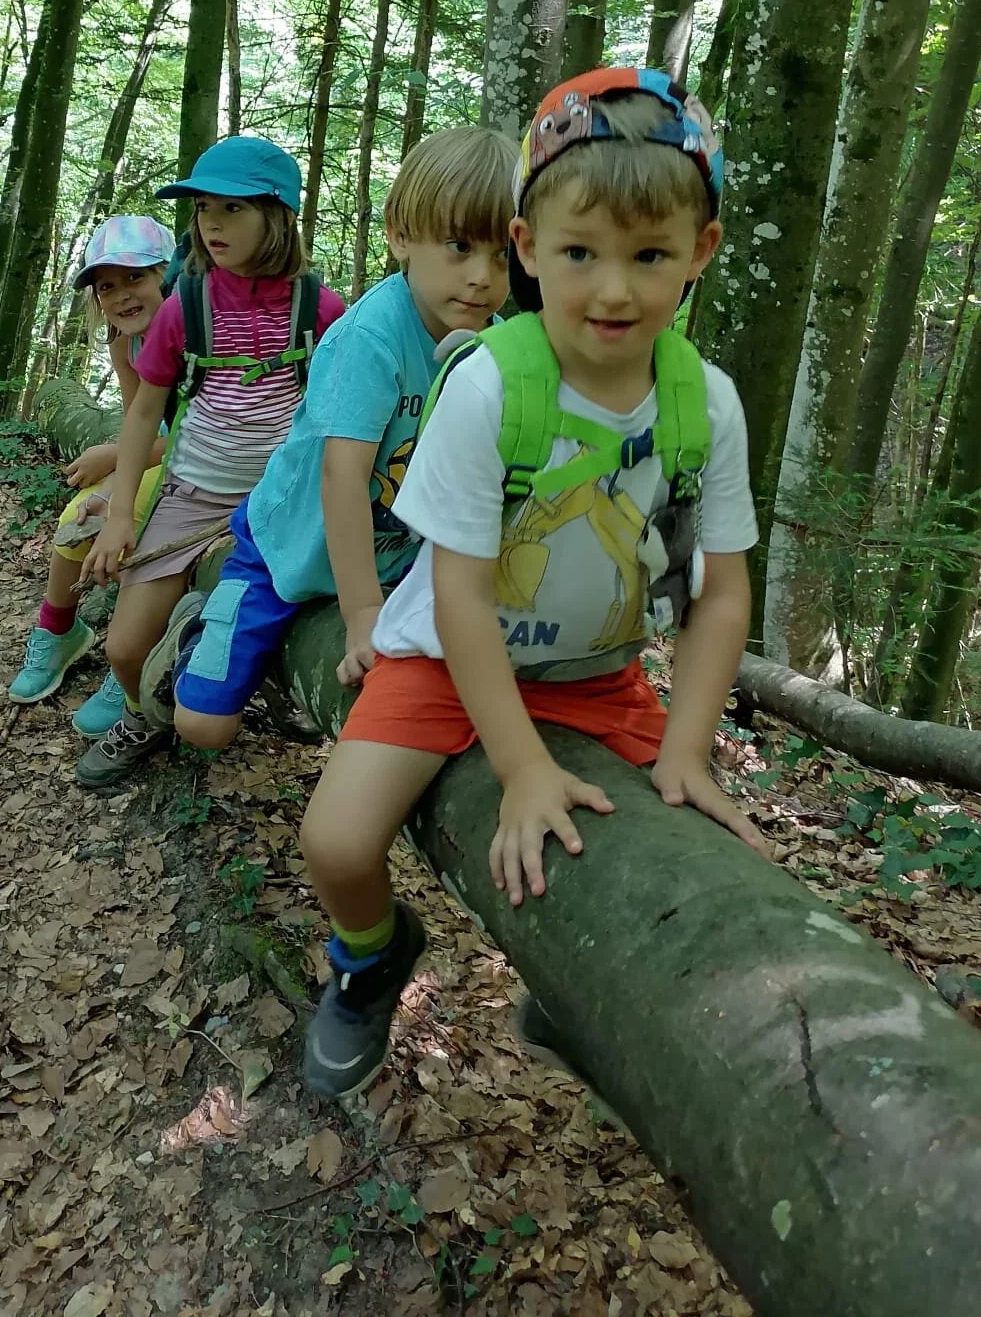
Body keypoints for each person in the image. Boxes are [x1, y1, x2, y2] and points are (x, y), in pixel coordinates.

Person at [297, 68, 766, 1100]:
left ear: (701, 249)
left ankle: (573, 988)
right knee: (334, 840)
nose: (612, 289)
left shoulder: (705, 406)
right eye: (580, 252)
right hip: (445, 656)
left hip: (598, 671)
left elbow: (717, 590)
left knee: (696, 855)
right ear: (528, 248)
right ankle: (370, 953)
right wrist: (519, 766)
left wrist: (688, 746)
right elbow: (459, 593)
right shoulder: (491, 385)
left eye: (649, 255)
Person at [136, 126, 517, 756]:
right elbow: (342, 477)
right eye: (457, 247)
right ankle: (195, 630)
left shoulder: (494, 343)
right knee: (202, 727)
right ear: (402, 237)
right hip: (289, 549)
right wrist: (362, 613)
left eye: (502, 255)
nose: (481, 277)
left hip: (396, 555)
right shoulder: (371, 337)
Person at [77, 136, 345, 792]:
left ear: (277, 215)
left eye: (232, 209)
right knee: (122, 647)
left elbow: (344, 422)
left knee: (287, 618)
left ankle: (272, 686)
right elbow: (144, 413)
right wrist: (119, 517)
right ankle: (147, 712)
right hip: (191, 494)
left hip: (278, 504)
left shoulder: (323, 312)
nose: (212, 225)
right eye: (203, 210)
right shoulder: (185, 307)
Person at [6, 214, 175, 735]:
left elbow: (198, 434)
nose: (123, 295)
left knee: (141, 526)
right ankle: (59, 629)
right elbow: (139, 421)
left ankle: (131, 659)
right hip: (158, 458)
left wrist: (114, 455)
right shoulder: (126, 343)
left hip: (200, 469)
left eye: (135, 278)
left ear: (166, 277)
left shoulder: (197, 335)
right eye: (107, 286)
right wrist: (118, 452)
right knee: (84, 512)